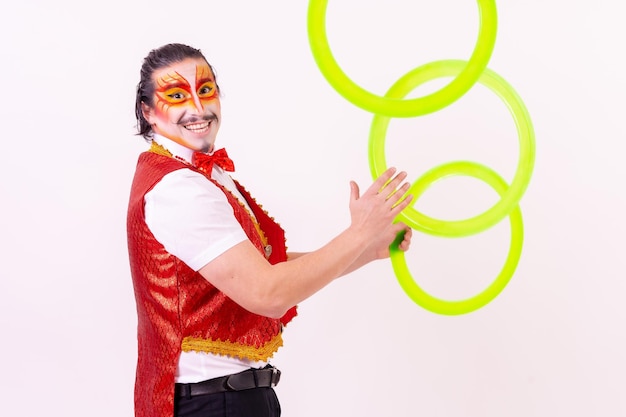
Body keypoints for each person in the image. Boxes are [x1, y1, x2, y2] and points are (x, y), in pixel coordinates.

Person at [127, 43, 413, 417]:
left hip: (232, 400)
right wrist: (358, 233)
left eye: (206, 90)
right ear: (148, 111)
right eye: (177, 95)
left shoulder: (203, 176)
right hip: (213, 405)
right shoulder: (180, 188)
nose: (197, 108)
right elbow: (267, 292)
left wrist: (367, 249)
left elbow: (265, 269)